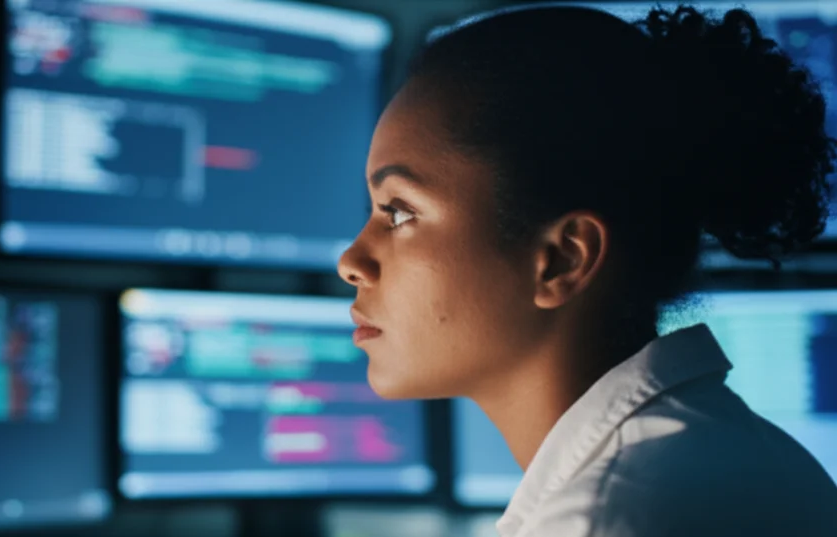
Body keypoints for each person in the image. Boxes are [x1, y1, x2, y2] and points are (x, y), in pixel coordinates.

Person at [337, 3, 837, 537]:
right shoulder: (737, 452)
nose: (351, 263)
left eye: (399, 212)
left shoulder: (604, 518)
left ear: (562, 259)